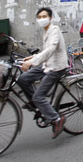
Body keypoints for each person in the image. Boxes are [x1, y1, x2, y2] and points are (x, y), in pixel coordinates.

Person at [17, 7, 68, 139]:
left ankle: (56, 119)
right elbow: (45, 50)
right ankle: (36, 104)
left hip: (56, 67)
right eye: (39, 17)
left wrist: (32, 62)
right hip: (46, 65)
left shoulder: (54, 30)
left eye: (44, 16)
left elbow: (51, 49)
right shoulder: (45, 32)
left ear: (50, 18)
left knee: (38, 96)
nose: (41, 19)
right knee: (22, 79)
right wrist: (32, 58)